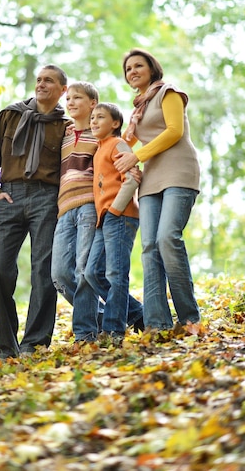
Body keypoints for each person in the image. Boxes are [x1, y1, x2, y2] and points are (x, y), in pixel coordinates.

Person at [0, 64, 69, 359]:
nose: (41, 85)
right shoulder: (10, 114)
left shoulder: (65, 126)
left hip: (47, 197)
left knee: (44, 271)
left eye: (49, 81)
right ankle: (7, 346)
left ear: (62, 90)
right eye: (39, 80)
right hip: (10, 197)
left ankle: (35, 343)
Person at [114, 48, 200, 331]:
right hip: (150, 180)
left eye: (138, 66)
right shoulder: (138, 108)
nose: (133, 72)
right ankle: (156, 324)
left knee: (167, 238)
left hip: (178, 172)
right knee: (150, 247)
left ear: (152, 68)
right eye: (128, 69)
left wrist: (136, 155)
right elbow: (125, 145)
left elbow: (174, 131)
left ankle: (189, 318)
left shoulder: (169, 93)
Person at [51, 83, 144, 343]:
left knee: (86, 270)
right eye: (67, 98)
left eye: (77, 97)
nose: (70, 102)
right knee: (59, 274)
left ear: (93, 103)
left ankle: (86, 332)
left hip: (92, 207)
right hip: (64, 208)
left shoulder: (102, 136)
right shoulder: (65, 135)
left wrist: (133, 129)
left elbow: (125, 156)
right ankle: (128, 313)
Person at [82, 102, 140, 346]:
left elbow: (132, 177)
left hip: (120, 215)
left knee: (116, 273)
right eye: (92, 118)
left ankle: (114, 330)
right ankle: (139, 314)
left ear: (115, 123)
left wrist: (115, 209)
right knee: (92, 273)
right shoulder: (99, 148)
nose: (93, 121)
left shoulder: (117, 144)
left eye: (100, 117)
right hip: (103, 219)